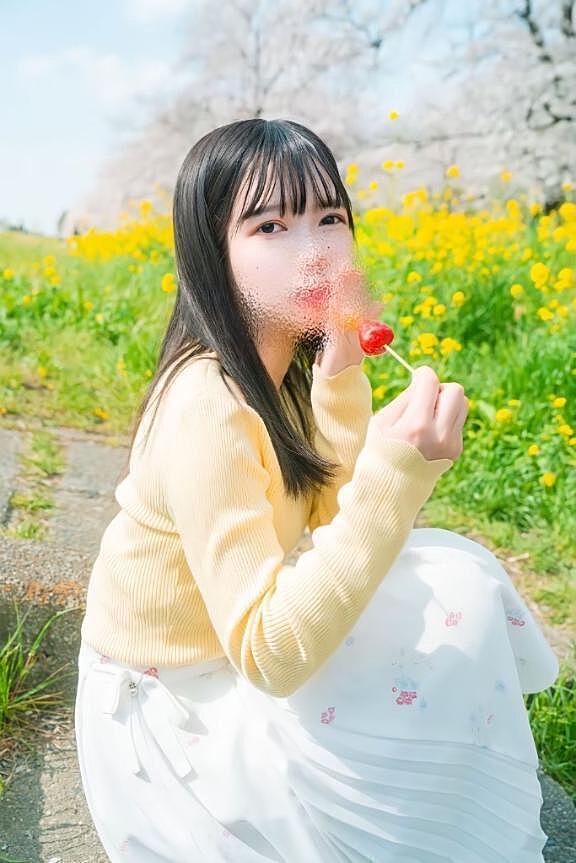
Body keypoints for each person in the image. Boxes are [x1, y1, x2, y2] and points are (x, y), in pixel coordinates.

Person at [74, 118, 559, 862]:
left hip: (227, 665)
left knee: (445, 572)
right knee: (446, 594)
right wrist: (398, 472)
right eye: (270, 226)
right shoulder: (206, 404)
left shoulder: (281, 379)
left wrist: (339, 377)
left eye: (329, 218)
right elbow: (271, 653)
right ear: (212, 253)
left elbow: (334, 525)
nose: (315, 251)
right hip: (175, 717)